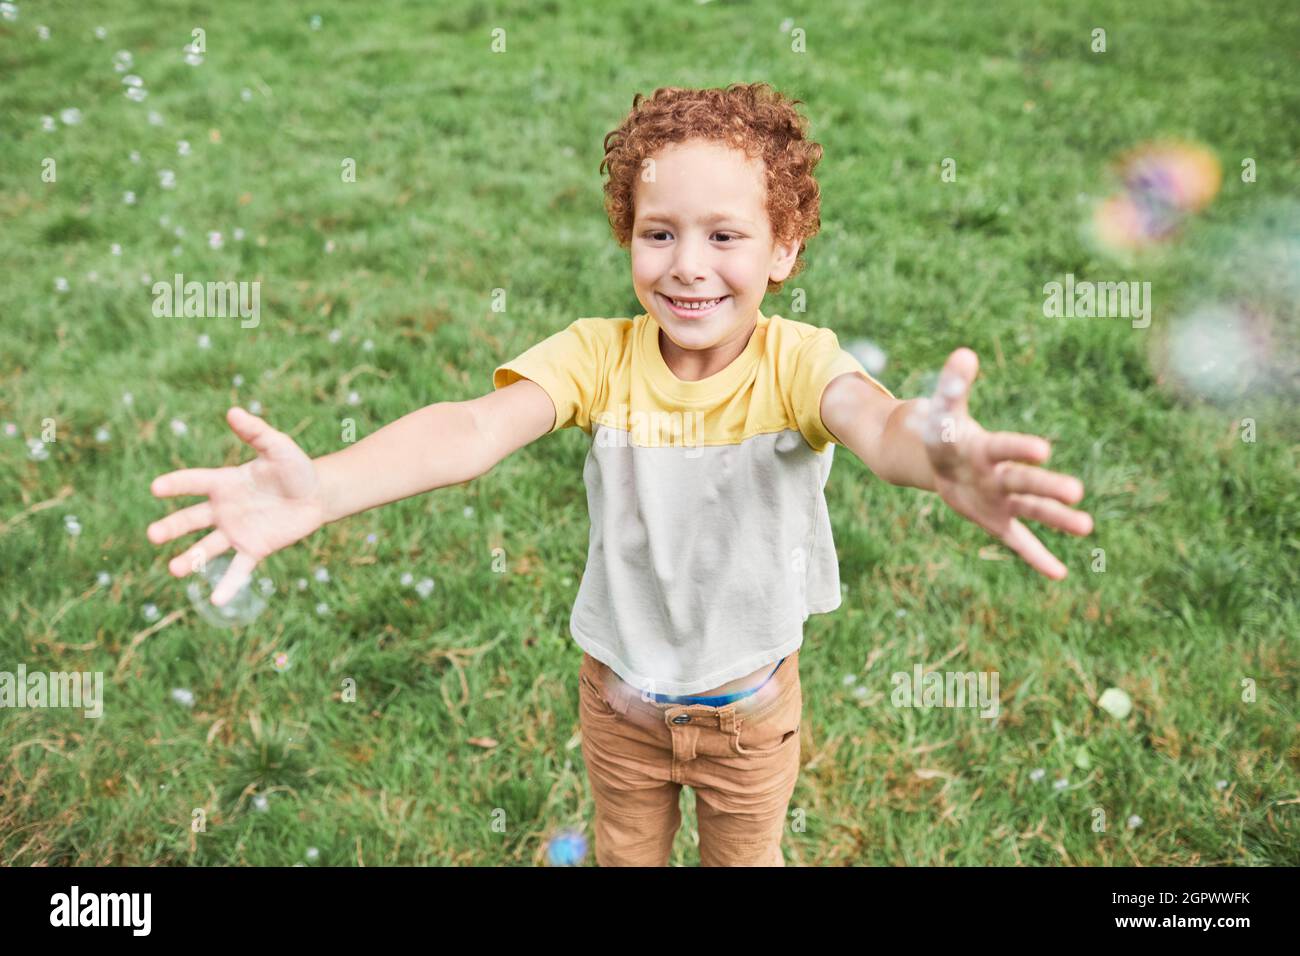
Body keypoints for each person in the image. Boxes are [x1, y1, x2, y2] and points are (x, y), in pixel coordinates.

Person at [147, 82, 1092, 867]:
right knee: (621, 856)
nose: (688, 268)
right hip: (621, 704)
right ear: (627, 234)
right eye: (659, 233)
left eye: (726, 237)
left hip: (750, 714)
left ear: (785, 249)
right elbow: (472, 428)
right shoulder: (597, 357)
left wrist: (938, 455)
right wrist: (329, 486)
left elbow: (880, 427)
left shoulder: (800, 363)